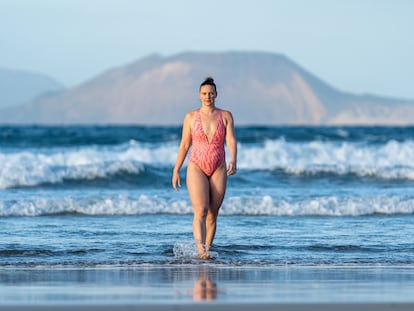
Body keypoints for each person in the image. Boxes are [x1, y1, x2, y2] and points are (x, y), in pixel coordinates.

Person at [172, 77, 237, 259]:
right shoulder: (191, 117)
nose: (208, 96)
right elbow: (184, 144)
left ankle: (206, 250)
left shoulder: (226, 116)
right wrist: (176, 169)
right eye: (204, 93)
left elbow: (231, 140)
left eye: (211, 93)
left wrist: (234, 159)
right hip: (196, 166)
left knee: (213, 214)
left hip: (219, 166)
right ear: (199, 96)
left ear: (216, 95)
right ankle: (200, 249)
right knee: (201, 210)